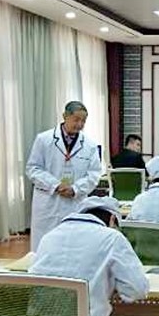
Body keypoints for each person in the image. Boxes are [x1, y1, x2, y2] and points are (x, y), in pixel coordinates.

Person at [25, 101, 102, 251]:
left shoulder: (90, 145)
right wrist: (55, 185)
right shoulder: (44, 139)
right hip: (49, 202)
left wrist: (75, 189)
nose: (80, 124)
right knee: (44, 246)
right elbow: (33, 168)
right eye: (76, 120)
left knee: (73, 246)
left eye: (83, 121)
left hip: (74, 202)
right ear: (65, 116)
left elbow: (94, 174)